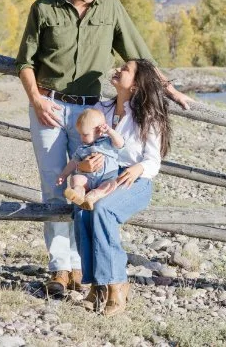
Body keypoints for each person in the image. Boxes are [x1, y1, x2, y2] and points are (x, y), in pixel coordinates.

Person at [15, 0, 192, 297]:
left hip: (92, 115)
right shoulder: (44, 8)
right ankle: (59, 268)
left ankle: (83, 268)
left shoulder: (110, 8)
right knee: (55, 185)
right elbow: (25, 61)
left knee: (91, 182)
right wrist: (36, 100)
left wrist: (170, 90)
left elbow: (139, 57)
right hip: (48, 108)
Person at [75, 58, 170, 316]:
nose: (117, 70)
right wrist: (86, 164)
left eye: (125, 70)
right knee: (83, 210)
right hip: (103, 177)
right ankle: (96, 284)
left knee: (102, 210)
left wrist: (138, 168)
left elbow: (153, 160)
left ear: (136, 85)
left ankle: (116, 284)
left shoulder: (147, 115)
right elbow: (87, 144)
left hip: (135, 180)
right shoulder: (101, 109)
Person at [57, 109, 125, 211]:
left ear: (98, 131)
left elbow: (120, 143)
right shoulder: (82, 148)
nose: (81, 138)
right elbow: (73, 162)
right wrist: (64, 174)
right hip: (88, 180)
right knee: (76, 179)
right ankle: (78, 192)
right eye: (80, 134)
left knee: (111, 184)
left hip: (106, 178)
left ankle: (93, 196)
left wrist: (110, 131)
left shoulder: (108, 142)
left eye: (84, 135)